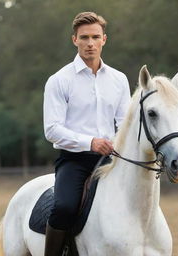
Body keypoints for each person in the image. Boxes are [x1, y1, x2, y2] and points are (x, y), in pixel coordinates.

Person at [43, 11, 131, 256]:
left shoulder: (119, 80)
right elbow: (52, 129)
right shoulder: (59, 80)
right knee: (64, 207)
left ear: (104, 39)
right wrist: (90, 142)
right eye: (84, 38)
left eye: (95, 37)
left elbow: (124, 123)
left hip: (113, 159)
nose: (90, 43)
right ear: (74, 40)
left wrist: (116, 143)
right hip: (75, 160)